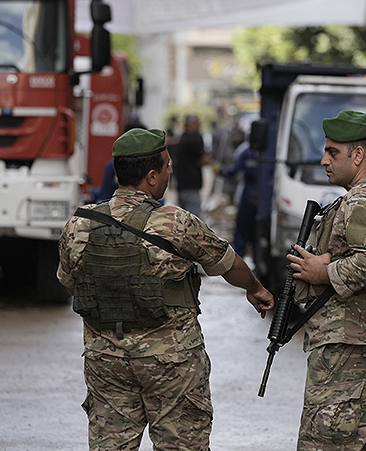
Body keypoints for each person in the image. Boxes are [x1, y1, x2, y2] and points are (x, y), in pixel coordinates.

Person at [57, 127, 274, 451]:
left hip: (106, 359)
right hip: (170, 361)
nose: (171, 170)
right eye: (167, 165)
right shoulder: (176, 222)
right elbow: (228, 263)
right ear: (152, 175)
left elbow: (69, 283)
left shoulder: (79, 224)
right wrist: (255, 288)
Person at [287, 111, 366, 451]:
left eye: (333, 152)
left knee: (324, 442)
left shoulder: (362, 200)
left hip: (349, 344)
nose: (324, 160)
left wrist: (321, 272)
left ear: (358, 155)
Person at [218, 137, 258, 264]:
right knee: (257, 229)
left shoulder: (245, 151)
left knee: (242, 228)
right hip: (262, 194)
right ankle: (256, 260)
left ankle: (237, 262)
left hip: (247, 194)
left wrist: (220, 170)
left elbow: (233, 170)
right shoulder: (266, 150)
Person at [174, 114, 211, 218]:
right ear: (189, 125)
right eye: (196, 123)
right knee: (193, 221)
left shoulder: (183, 138)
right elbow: (203, 160)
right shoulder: (192, 140)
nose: (199, 126)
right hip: (190, 186)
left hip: (182, 185)